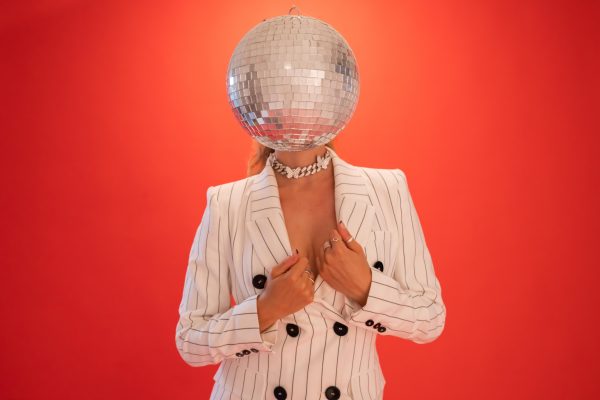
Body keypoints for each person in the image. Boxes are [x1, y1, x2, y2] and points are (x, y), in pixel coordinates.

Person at [174, 139, 447, 400]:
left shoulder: (387, 188)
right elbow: (190, 340)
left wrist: (366, 288)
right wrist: (265, 310)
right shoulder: (226, 203)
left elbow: (431, 317)